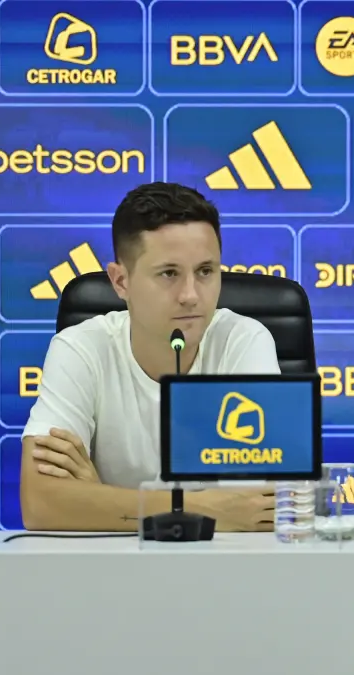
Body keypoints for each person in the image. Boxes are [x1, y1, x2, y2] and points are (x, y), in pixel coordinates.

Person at [19, 182, 281, 532]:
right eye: (169, 273)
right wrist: (204, 509)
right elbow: (40, 504)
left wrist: (99, 498)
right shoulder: (81, 348)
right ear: (120, 282)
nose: (191, 295)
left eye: (205, 271)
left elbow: (264, 507)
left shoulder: (243, 341)